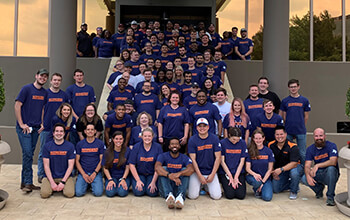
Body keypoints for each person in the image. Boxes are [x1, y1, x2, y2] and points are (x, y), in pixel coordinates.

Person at [15, 68, 49, 192]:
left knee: (29, 154)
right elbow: (17, 105)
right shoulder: (26, 89)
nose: (43, 78)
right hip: (24, 128)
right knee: (28, 153)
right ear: (36, 76)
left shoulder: (45, 93)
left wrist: (42, 123)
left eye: (45, 76)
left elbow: (43, 108)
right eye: (41, 75)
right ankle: (28, 182)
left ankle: (25, 182)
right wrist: (21, 123)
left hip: (35, 128)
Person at [38, 73, 68, 183]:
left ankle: (57, 174)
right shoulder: (45, 93)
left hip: (60, 130)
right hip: (46, 128)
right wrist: (41, 123)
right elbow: (40, 109)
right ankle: (41, 174)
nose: (56, 82)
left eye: (59, 80)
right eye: (54, 80)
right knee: (43, 152)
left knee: (59, 152)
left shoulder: (63, 95)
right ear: (51, 81)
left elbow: (67, 110)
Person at [302, 128, 339, 206]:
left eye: (321, 136)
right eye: (316, 136)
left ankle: (330, 197)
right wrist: (308, 176)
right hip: (319, 173)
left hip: (331, 174)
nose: (319, 138)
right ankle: (319, 190)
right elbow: (307, 165)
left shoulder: (331, 145)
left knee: (331, 169)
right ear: (314, 137)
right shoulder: (310, 149)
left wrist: (317, 165)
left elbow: (333, 161)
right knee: (304, 178)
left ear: (324, 136)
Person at [187, 118, 222, 200]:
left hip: (210, 171)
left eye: (204, 126)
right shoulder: (192, 140)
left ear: (208, 127)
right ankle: (201, 185)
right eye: (200, 126)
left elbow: (218, 158)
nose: (202, 128)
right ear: (196, 127)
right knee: (192, 196)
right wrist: (200, 176)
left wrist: (213, 174)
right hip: (197, 172)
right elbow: (193, 160)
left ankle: (205, 187)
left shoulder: (214, 139)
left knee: (216, 196)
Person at [155, 138, 194, 209]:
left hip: (179, 186)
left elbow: (191, 169)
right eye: (172, 144)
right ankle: (169, 196)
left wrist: (179, 174)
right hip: (165, 187)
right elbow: (157, 167)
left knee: (185, 170)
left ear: (179, 146)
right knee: (163, 169)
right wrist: (169, 175)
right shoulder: (163, 156)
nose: (174, 146)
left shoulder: (184, 157)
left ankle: (180, 197)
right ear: (169, 146)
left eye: (176, 144)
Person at [280, 79, 311, 165]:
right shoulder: (285, 101)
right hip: (288, 131)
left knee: (302, 153)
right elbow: (284, 116)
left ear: (298, 87)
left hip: (301, 131)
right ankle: (288, 171)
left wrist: (301, 126)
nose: (293, 89)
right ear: (288, 88)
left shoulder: (304, 100)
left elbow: (306, 116)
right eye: (291, 87)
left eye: (295, 87)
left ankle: (305, 172)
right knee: (288, 152)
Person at [40, 123, 75, 198]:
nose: (59, 133)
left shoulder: (70, 146)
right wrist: (52, 182)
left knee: (70, 194)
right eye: (57, 131)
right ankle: (53, 187)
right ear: (53, 133)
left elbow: (71, 166)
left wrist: (63, 182)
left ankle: (60, 187)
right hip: (50, 177)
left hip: (65, 176)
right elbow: (46, 166)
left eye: (61, 131)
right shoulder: (47, 146)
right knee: (44, 194)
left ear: (64, 133)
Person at [268, 126, 301, 200]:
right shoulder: (270, 145)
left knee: (294, 173)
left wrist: (281, 169)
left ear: (286, 134)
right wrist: (273, 172)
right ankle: (292, 184)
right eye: (277, 134)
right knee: (275, 189)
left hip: (292, 168)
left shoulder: (293, 146)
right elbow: (270, 160)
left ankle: (294, 190)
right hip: (280, 170)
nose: (279, 136)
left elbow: (294, 163)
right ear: (274, 135)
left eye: (281, 134)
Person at [129, 128, 163, 197]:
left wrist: (153, 182)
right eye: (145, 136)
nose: (147, 138)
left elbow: (159, 166)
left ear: (152, 137)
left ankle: (152, 183)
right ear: (141, 137)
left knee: (152, 193)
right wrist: (138, 180)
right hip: (140, 174)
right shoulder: (136, 147)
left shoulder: (158, 147)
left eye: (149, 136)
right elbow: (131, 164)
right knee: (138, 192)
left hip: (152, 174)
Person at [75, 124, 105, 197]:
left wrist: (95, 173)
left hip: (96, 172)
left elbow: (102, 160)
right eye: (88, 129)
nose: (90, 131)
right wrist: (83, 174)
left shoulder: (100, 143)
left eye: (92, 129)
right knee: (78, 193)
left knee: (98, 193)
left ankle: (91, 184)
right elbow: (77, 161)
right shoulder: (80, 144)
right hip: (83, 172)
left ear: (95, 131)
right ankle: (86, 183)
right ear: (85, 131)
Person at [246, 130, 274, 201]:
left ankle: (260, 188)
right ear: (253, 139)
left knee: (267, 198)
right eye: (256, 138)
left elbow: (270, 169)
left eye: (260, 138)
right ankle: (256, 188)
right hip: (253, 177)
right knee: (257, 182)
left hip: (265, 178)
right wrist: (255, 174)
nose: (258, 140)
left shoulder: (268, 151)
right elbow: (247, 168)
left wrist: (263, 183)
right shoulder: (250, 151)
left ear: (263, 138)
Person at [219, 127, 247, 199]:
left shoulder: (243, 143)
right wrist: (231, 177)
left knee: (241, 195)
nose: (235, 142)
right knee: (230, 195)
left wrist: (236, 177)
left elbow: (242, 161)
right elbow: (222, 161)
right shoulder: (223, 143)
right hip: (226, 171)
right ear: (229, 135)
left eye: (237, 140)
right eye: (233, 139)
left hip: (238, 171)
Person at [102, 131, 131, 197]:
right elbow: (105, 168)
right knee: (110, 193)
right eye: (116, 139)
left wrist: (123, 179)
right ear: (113, 139)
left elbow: (128, 167)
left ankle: (123, 185)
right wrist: (110, 180)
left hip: (124, 176)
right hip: (112, 176)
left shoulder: (128, 150)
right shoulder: (107, 151)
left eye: (120, 139)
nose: (118, 141)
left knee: (122, 193)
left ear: (123, 139)